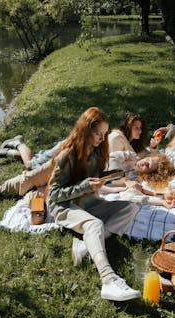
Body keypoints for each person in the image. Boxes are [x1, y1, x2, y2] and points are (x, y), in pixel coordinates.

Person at [46, 106, 142, 302]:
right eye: (97, 133)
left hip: (87, 201)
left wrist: (117, 175)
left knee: (131, 207)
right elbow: (54, 194)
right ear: (85, 130)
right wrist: (84, 186)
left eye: (104, 134)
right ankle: (108, 280)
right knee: (95, 224)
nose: (101, 138)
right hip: (63, 205)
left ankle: (84, 246)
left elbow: (93, 180)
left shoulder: (98, 153)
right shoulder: (67, 155)